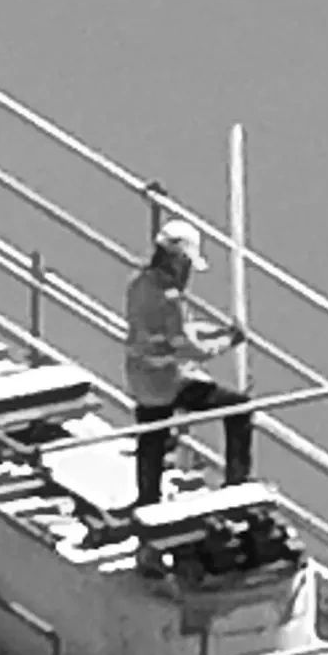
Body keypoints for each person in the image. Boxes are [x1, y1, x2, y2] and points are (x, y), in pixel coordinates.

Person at [124, 218, 252, 511]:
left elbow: (175, 329)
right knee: (239, 407)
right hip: (167, 381)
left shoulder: (140, 283)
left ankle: (147, 500)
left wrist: (218, 330)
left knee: (151, 436)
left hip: (140, 378)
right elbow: (189, 347)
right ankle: (236, 481)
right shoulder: (170, 298)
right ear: (178, 260)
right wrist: (227, 342)